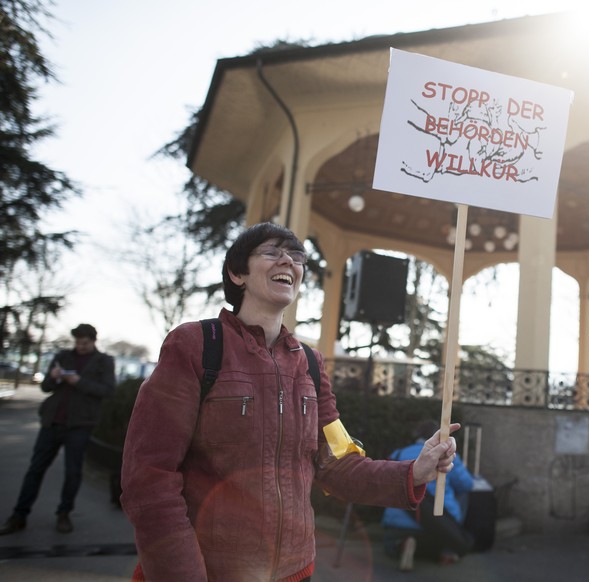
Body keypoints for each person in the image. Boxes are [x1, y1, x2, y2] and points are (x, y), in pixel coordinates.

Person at [120, 222, 459, 582]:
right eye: (271, 252)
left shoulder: (311, 363)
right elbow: (149, 479)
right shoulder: (195, 345)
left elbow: (337, 465)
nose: (289, 261)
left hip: (296, 572)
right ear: (238, 274)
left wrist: (415, 471)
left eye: (296, 256)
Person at [0, 323, 116, 535]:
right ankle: (19, 515)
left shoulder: (104, 361)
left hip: (80, 424)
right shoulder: (63, 356)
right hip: (53, 420)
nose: (80, 346)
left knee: (72, 472)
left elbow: (108, 390)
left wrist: (78, 381)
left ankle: (64, 514)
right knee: (35, 469)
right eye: (78, 342)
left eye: (85, 342)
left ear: (93, 341)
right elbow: (45, 387)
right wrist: (54, 376)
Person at [382, 419, 475, 571]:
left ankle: (402, 544)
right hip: (440, 523)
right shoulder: (447, 455)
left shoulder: (399, 453)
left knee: (390, 543)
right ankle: (447, 551)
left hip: (399, 523)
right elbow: (467, 484)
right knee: (463, 494)